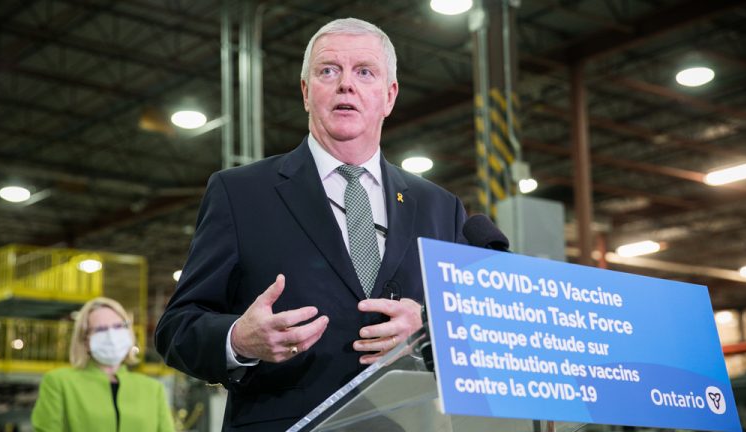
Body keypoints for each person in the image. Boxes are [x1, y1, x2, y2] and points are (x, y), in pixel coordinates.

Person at [155, 17, 466, 431]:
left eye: (365, 72)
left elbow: (474, 331)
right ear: (306, 92)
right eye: (328, 70)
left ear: (389, 96)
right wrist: (238, 339)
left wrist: (430, 327)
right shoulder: (241, 193)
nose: (346, 85)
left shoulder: (440, 206)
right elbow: (178, 327)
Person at [32, 297, 175, 432]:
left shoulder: (153, 389)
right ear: (84, 340)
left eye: (118, 326)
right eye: (101, 329)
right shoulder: (59, 382)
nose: (112, 335)